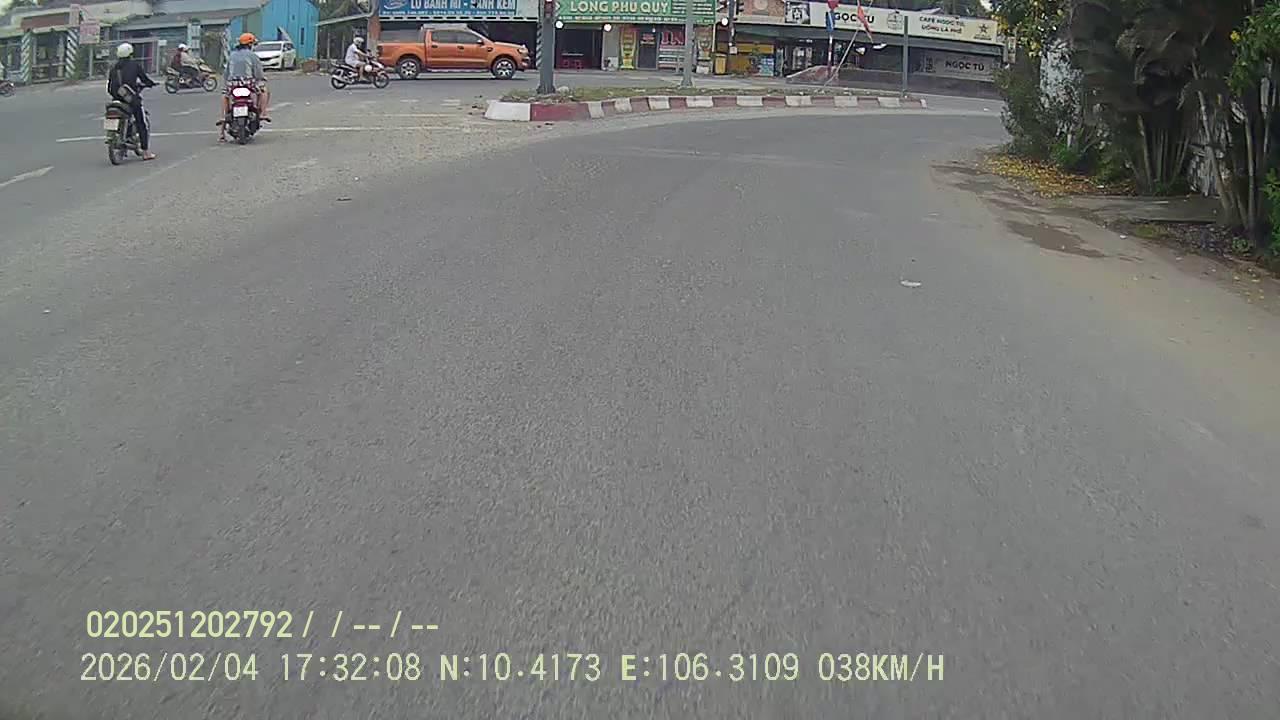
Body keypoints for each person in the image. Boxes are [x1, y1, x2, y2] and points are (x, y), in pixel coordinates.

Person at [106, 42, 157, 160]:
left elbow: (109, 88)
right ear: (130, 54)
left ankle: (123, 137)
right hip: (131, 99)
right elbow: (144, 79)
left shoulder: (114, 68)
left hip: (117, 100)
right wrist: (151, 84)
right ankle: (146, 152)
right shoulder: (134, 65)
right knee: (141, 123)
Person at [221, 32, 269, 142]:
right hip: (248, 83)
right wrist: (261, 79)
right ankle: (263, 113)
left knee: (225, 95)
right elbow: (258, 73)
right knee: (264, 91)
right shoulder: (253, 56)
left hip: (232, 84)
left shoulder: (232, 55)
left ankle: (222, 124)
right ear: (250, 44)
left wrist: (229, 82)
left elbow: (226, 74)